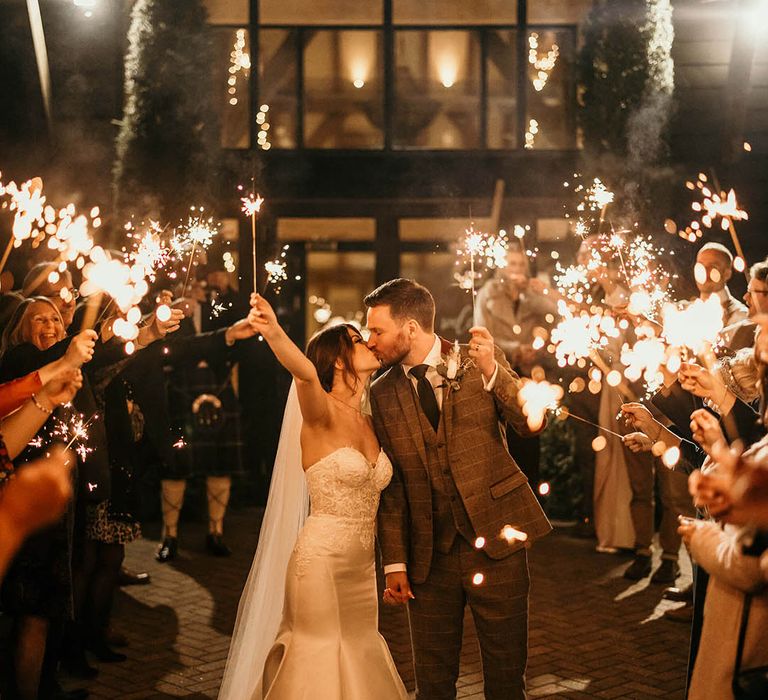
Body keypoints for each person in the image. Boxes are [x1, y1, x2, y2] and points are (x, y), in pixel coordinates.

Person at [365, 278, 551, 700]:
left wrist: (493, 373)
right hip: (429, 558)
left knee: (506, 681)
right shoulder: (381, 391)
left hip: (499, 540)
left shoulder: (478, 359)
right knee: (432, 684)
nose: (370, 340)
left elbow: (527, 424)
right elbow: (390, 486)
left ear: (410, 328)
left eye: (377, 330)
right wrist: (394, 560)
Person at [219, 294, 407, 699]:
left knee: (359, 652)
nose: (369, 344)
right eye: (359, 340)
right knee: (317, 659)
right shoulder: (319, 413)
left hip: (361, 571)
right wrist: (272, 331)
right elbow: (304, 373)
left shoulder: (370, 421)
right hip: (320, 565)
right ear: (338, 360)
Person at [475, 246, 558, 485]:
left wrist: (536, 349)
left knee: (531, 440)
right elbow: (482, 335)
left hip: (531, 375)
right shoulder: (488, 295)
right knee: (502, 439)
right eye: (512, 264)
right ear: (502, 266)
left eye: (521, 265)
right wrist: (514, 349)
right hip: (499, 371)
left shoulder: (534, 296)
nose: (517, 270)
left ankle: (532, 499)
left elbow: (554, 322)